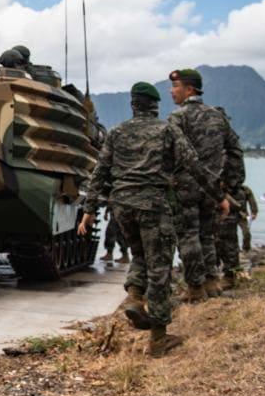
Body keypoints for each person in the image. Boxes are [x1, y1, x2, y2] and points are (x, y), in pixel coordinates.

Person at [78, 82, 227, 357]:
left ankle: (135, 296)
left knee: (140, 256)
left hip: (122, 204)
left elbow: (100, 171)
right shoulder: (167, 129)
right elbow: (194, 165)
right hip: (153, 204)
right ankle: (158, 338)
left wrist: (89, 209)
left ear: (133, 105)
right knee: (160, 268)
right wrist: (218, 196)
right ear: (155, 106)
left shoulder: (117, 132)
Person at [167, 68, 244, 301]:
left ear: (189, 89)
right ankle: (212, 282)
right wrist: (228, 184)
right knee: (207, 235)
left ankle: (195, 288)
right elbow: (235, 151)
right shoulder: (217, 116)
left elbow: (169, 154)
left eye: (176, 87)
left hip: (185, 187)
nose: (172, 92)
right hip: (213, 189)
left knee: (188, 236)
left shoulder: (177, 118)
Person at [237, 184, 258, 251]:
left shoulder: (245, 189)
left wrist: (254, 212)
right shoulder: (226, 188)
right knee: (230, 234)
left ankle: (246, 249)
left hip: (243, 215)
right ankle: (235, 249)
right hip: (229, 214)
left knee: (246, 233)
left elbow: (252, 201)